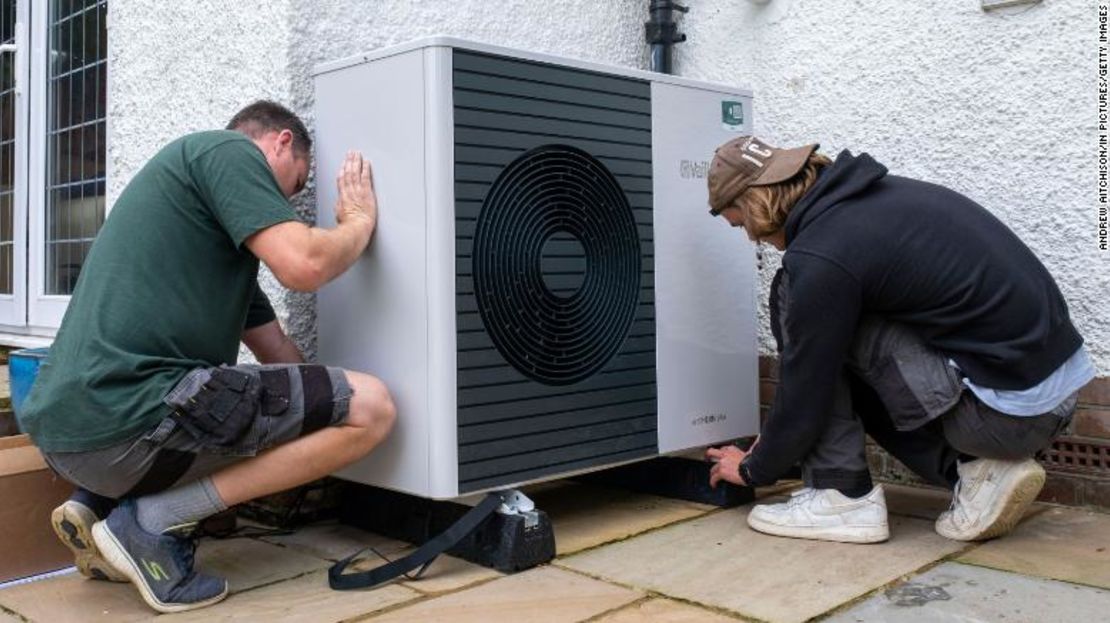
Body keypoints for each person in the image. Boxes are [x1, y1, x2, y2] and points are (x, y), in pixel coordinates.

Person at [16, 101, 396, 612]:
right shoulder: (226, 150)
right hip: (126, 423)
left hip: (71, 433)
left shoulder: (214, 247)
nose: (290, 198)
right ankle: (149, 524)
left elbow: (279, 354)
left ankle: (97, 506)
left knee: (278, 398)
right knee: (372, 407)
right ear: (279, 142)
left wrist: (318, 416)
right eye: (298, 182)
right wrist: (358, 222)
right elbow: (304, 265)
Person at [703, 135, 1093, 544]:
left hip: (1006, 418)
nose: (753, 239)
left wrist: (755, 469)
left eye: (741, 223)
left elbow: (807, 383)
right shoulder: (872, 202)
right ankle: (978, 475)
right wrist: (781, 439)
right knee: (826, 331)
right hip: (1047, 400)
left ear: (755, 205)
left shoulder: (823, 255)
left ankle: (841, 497)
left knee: (793, 297)